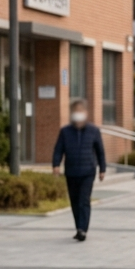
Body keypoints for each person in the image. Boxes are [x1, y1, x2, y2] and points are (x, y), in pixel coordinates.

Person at [52, 100, 106, 241]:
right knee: (75, 201)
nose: (78, 114)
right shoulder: (65, 132)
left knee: (84, 200)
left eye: (81, 111)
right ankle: (78, 228)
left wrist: (102, 169)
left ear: (86, 113)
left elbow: (100, 151)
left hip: (88, 171)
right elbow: (58, 149)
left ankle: (83, 229)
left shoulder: (93, 131)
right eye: (76, 111)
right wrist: (56, 165)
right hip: (71, 171)